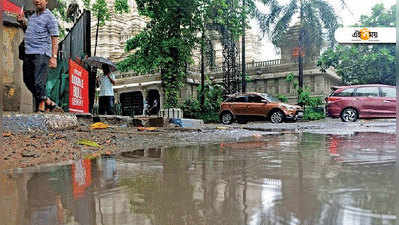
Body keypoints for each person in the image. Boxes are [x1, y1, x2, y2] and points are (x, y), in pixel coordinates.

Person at [17, 0, 59, 112]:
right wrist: (22, 22)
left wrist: (54, 57)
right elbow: (30, 32)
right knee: (27, 80)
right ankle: (48, 101)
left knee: (38, 81)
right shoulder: (33, 17)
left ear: (46, 1)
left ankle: (41, 104)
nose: (37, 1)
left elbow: (54, 37)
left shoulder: (50, 17)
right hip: (28, 52)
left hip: (42, 53)